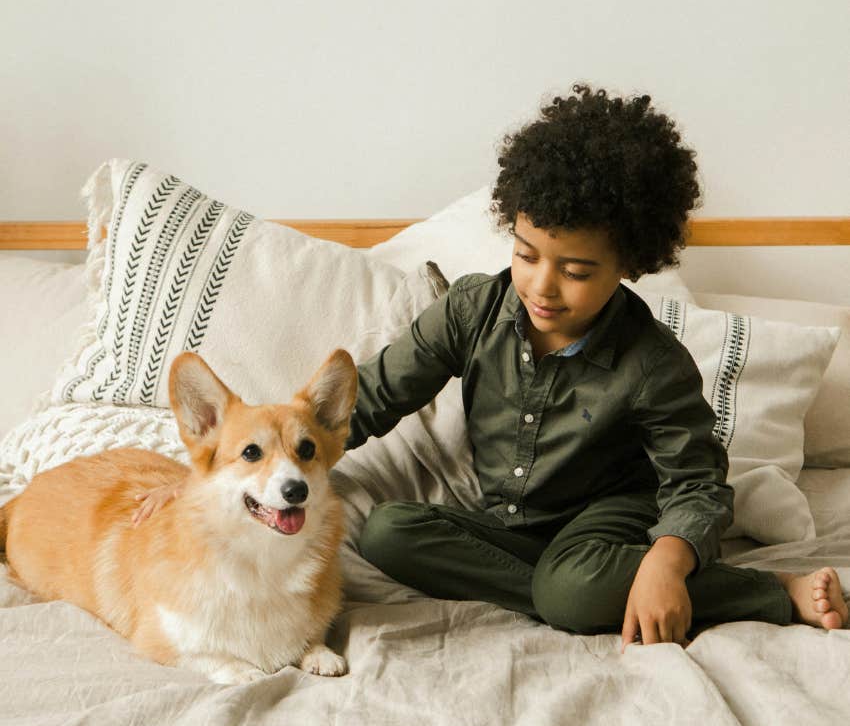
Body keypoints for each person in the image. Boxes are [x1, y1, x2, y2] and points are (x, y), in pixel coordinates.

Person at [134, 84, 847, 649]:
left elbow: (696, 483)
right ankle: (567, 592)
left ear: (629, 266)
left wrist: (666, 560)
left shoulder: (654, 363)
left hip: (609, 524)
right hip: (505, 527)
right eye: (528, 254)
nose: (541, 285)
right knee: (386, 533)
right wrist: (225, 476)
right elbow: (366, 401)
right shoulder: (474, 310)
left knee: (574, 589)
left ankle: (760, 591)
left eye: (575, 271)